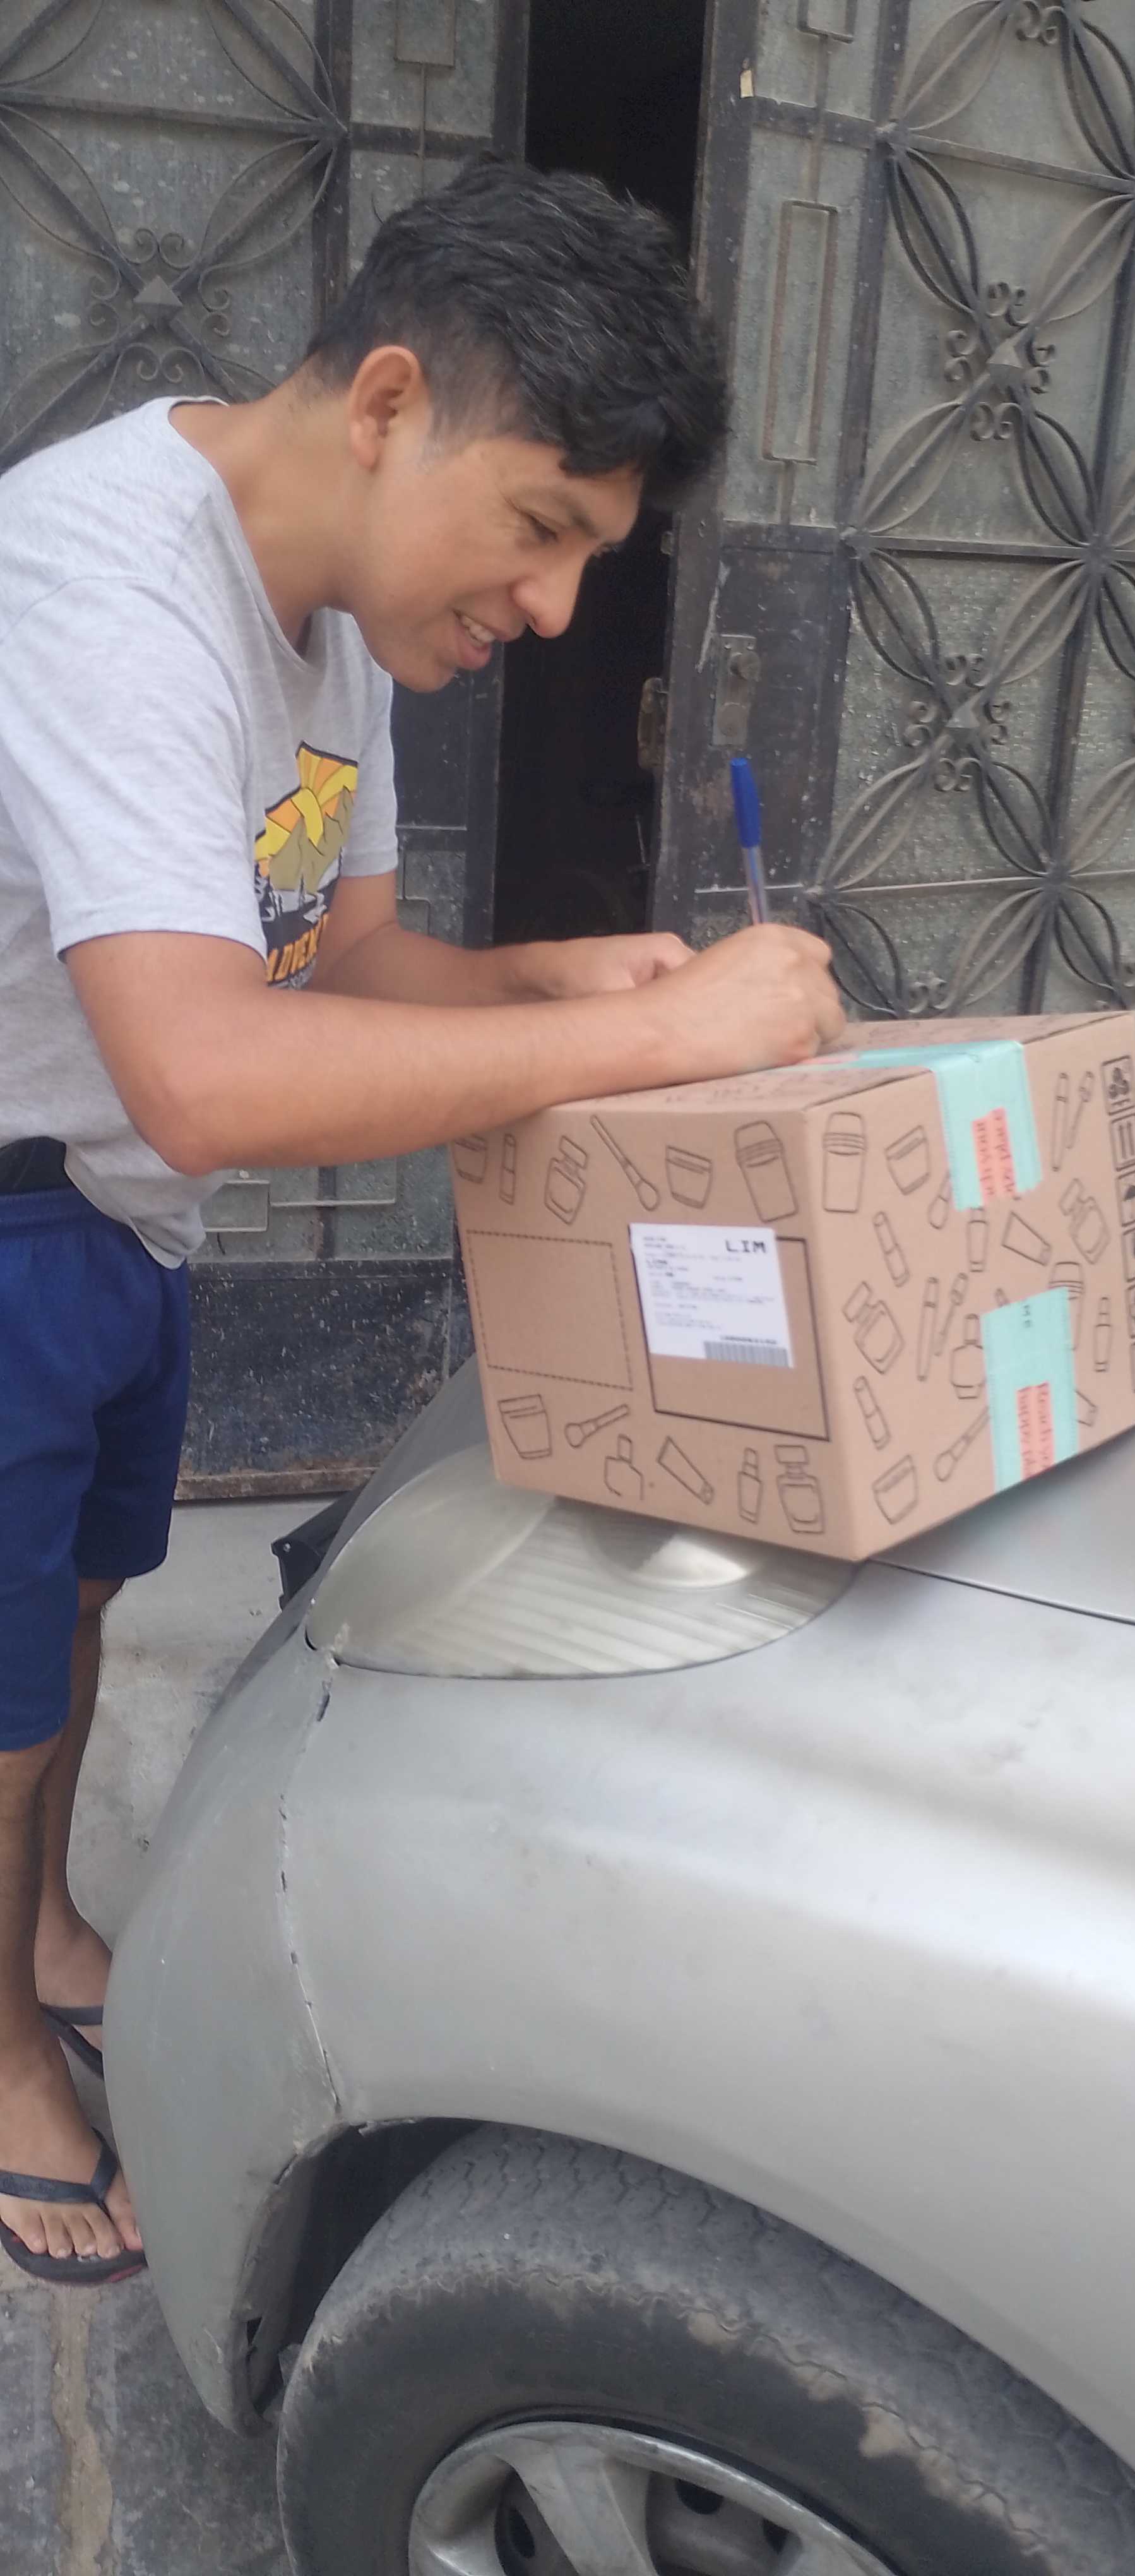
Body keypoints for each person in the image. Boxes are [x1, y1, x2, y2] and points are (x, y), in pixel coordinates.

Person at [0, 159, 843, 2282]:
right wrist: (658, 1048)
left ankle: (43, 1932)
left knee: (81, 1602)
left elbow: (345, 963)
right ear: (387, 404)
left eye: (586, 559)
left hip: (113, 1214)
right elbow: (212, 1069)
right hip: (17, 1209)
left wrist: (554, 982)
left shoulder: (342, 623)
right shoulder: (100, 587)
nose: (550, 612)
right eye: (540, 530)